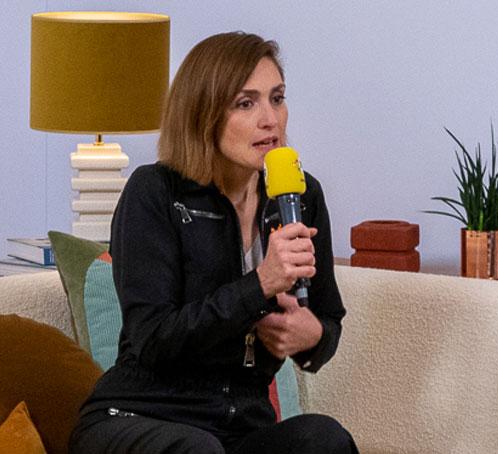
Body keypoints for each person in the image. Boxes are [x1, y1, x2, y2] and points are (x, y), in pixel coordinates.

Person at [69, 31, 357, 454]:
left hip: (238, 426)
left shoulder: (299, 197)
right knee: (197, 449)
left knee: (323, 440)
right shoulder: (155, 192)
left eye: (277, 98)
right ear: (203, 115)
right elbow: (152, 341)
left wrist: (311, 335)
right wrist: (259, 285)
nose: (270, 120)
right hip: (137, 417)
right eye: (246, 103)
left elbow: (327, 318)